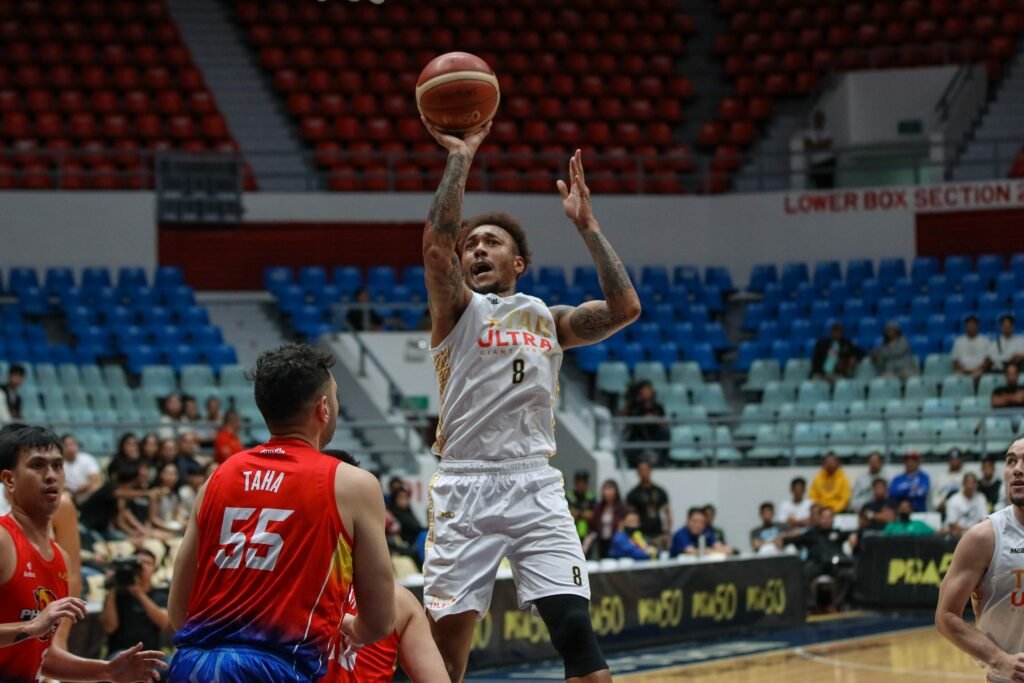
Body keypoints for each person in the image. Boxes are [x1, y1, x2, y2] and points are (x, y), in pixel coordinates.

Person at [421, 117, 639, 683]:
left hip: (534, 484)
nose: (476, 249)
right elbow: (437, 247)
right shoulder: (457, 310)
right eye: (471, 245)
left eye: (491, 242)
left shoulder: (548, 317)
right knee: (444, 655)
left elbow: (625, 310)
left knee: (577, 635)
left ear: (518, 264)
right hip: (464, 484)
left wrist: (588, 227)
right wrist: (460, 157)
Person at [168, 343, 395, 681]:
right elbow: (379, 621)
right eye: (334, 397)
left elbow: (178, 612)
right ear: (323, 408)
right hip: (275, 669)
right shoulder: (352, 484)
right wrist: (351, 628)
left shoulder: (218, 477)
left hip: (193, 667)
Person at [0, 423, 166, 681]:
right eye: (37, 465)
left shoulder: (60, 558)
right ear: (10, 480)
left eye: (57, 465)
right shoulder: (3, 539)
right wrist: (29, 627)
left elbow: (41, 655)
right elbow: (29, 632)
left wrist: (107, 670)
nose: (51, 475)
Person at [936, 437, 1024, 682]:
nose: (1017, 469)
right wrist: (999, 659)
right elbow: (946, 616)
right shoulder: (984, 537)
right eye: (1011, 461)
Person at [101, 548, 170, 657]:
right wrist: (112, 588)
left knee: (173, 662)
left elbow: (163, 623)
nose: (143, 567)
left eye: (148, 563)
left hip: (151, 654)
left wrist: (139, 593)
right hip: (121, 654)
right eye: (138, 563)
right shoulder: (117, 594)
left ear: (155, 569)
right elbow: (109, 627)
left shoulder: (160, 594)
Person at [790, 507, 855, 611]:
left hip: (834, 565)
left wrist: (853, 535)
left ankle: (836, 604)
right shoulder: (811, 534)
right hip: (816, 564)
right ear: (819, 518)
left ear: (833, 519)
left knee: (848, 574)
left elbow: (854, 532)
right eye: (824, 517)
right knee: (802, 573)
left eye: (829, 517)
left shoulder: (837, 533)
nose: (826, 520)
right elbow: (792, 540)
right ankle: (812, 606)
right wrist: (783, 537)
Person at [619, 380, 669, 466]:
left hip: (654, 438)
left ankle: (662, 461)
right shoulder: (635, 406)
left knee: (665, 433)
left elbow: (663, 423)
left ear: (652, 392)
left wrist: (655, 419)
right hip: (637, 439)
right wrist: (631, 401)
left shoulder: (658, 407)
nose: (646, 393)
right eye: (643, 391)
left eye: (647, 390)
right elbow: (623, 416)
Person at [626, 460, 672, 547]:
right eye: (641, 470)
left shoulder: (660, 491)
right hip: (641, 535)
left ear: (650, 471)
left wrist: (667, 532)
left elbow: (667, 513)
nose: (644, 472)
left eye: (646, 469)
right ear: (637, 473)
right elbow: (630, 516)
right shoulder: (633, 494)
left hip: (658, 534)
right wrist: (632, 534)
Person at [590, 480, 629, 559]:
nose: (608, 493)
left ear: (616, 491)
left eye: (611, 489)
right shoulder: (599, 508)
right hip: (601, 541)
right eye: (606, 489)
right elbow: (594, 524)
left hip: (616, 542)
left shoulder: (622, 508)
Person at [61, 432, 101, 504]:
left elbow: (95, 479)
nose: (70, 448)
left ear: (77, 446)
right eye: (66, 445)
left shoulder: (87, 458)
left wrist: (77, 489)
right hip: (70, 494)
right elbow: (60, 484)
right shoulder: (59, 463)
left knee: (96, 488)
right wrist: (72, 490)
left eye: (72, 444)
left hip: (87, 492)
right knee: (64, 496)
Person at [952, 315, 991, 381]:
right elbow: (955, 360)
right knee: (955, 379)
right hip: (963, 371)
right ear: (965, 326)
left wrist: (979, 369)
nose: (971, 327)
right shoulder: (958, 342)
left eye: (973, 325)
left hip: (979, 371)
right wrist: (962, 370)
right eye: (969, 325)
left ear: (978, 326)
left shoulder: (985, 341)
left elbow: (988, 360)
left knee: (977, 376)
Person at [803, 110, 835, 189]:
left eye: (821, 118)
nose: (819, 120)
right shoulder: (809, 132)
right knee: (819, 187)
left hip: (827, 162)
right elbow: (808, 145)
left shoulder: (828, 132)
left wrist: (815, 145)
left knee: (829, 187)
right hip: (816, 164)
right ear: (814, 120)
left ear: (823, 120)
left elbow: (828, 145)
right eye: (817, 118)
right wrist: (822, 145)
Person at [932, 448, 968, 516]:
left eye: (956, 458)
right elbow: (935, 496)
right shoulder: (941, 477)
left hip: (963, 512)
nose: (954, 461)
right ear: (948, 460)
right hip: (944, 512)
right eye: (951, 459)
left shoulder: (967, 476)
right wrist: (939, 504)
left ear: (961, 460)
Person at [567, 470, 596, 547]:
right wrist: (583, 514)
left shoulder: (590, 496)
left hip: (587, 534)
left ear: (586, 484)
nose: (580, 485)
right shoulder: (569, 495)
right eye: (578, 483)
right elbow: (568, 514)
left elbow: (592, 515)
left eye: (583, 483)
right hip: (571, 532)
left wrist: (578, 513)